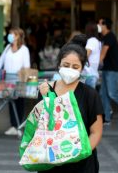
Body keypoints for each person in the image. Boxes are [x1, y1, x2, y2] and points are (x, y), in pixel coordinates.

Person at [38, 43, 103, 173]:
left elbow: (96, 132)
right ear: (59, 65)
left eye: (75, 66)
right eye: (66, 65)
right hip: (51, 162)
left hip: (81, 165)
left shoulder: (90, 95)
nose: (70, 69)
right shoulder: (46, 90)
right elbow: (39, 127)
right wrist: (45, 99)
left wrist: (79, 155)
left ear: (82, 68)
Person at [0, 27, 30, 135]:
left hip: (19, 80)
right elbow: (0, 61)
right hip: (8, 80)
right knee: (10, 102)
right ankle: (13, 126)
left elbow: (27, 66)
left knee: (19, 102)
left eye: (13, 34)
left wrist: (22, 74)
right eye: (10, 34)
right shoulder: (7, 48)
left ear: (18, 36)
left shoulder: (24, 49)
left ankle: (18, 125)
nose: (10, 36)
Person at [98, 18, 118, 125]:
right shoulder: (104, 37)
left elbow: (102, 54)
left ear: (105, 25)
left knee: (112, 93)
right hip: (106, 69)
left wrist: (94, 67)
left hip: (112, 70)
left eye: (100, 23)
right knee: (103, 94)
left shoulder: (110, 36)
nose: (98, 25)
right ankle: (107, 118)